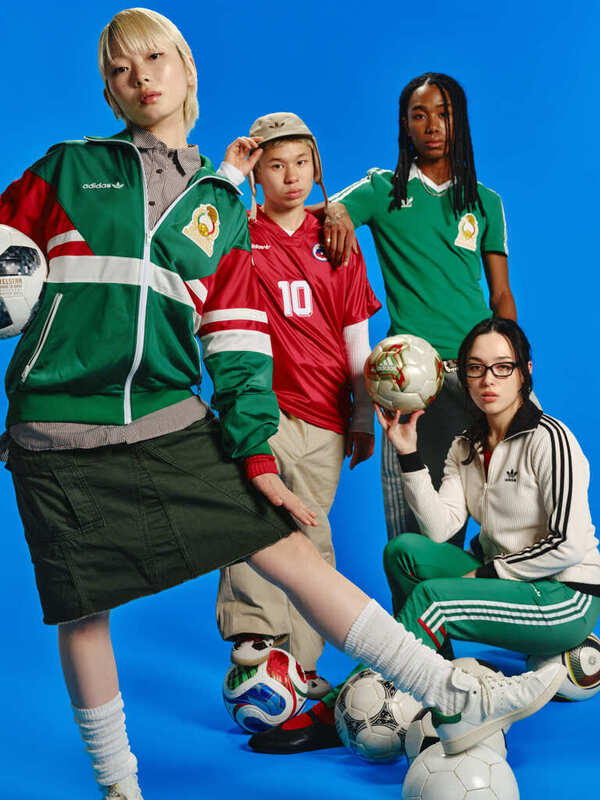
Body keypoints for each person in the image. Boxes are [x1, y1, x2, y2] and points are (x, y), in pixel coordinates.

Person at [0, 11, 564, 798]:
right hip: (56, 425)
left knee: (291, 549)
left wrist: (256, 455)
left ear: (188, 71)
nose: (143, 78)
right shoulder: (68, 167)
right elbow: (5, 242)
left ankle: (457, 692)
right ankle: (118, 786)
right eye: (123, 70)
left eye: (157, 58)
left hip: (165, 414)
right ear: (108, 89)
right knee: (82, 609)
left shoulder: (223, 202)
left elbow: (232, 339)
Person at [248, 317, 600, 755]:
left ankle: (347, 704)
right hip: (510, 582)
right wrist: (408, 451)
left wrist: (490, 573)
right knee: (405, 552)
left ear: (525, 371)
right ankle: (435, 674)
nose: (488, 380)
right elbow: (440, 528)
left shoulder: (550, 439)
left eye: (502, 367)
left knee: (434, 601)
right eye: (475, 368)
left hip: (563, 598)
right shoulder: (466, 445)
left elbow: (570, 544)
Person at [216, 112, 380, 697]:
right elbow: (198, 222)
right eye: (274, 165)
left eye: (301, 164)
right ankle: (257, 639)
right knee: (250, 519)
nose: (290, 176)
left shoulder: (335, 237)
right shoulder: (239, 228)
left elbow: (355, 334)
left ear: (317, 168)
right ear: (258, 172)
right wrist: (229, 171)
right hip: (261, 404)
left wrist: (362, 411)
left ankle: (304, 666)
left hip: (326, 411)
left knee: (310, 529)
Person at [320, 73, 517, 548]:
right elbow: (317, 213)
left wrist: (512, 360)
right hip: (413, 380)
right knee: (419, 527)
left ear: (459, 122)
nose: (432, 125)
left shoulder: (484, 202)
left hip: (478, 375)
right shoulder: (383, 190)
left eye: (443, 114)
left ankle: (493, 614)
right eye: (419, 115)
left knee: (507, 511)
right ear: (405, 126)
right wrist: (336, 212)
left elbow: (500, 296)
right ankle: (415, 622)